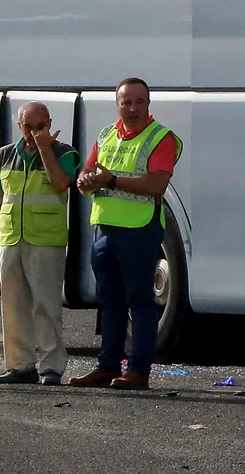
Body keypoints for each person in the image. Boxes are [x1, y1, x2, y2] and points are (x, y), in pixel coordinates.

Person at [69, 77, 181, 390]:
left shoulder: (161, 138)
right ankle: (107, 367)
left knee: (140, 301)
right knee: (109, 302)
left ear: (148, 104)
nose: (132, 108)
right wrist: (85, 181)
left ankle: (138, 370)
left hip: (140, 230)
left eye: (139, 102)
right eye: (126, 102)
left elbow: (157, 184)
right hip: (105, 230)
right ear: (118, 104)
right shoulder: (107, 134)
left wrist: (110, 181)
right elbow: (88, 171)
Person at [0, 102, 79, 385]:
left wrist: (44, 149)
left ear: (50, 124)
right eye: (29, 127)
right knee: (13, 305)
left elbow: (60, 183)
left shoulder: (64, 153)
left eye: (40, 127)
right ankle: (20, 365)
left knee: (46, 306)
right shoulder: (6, 154)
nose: (34, 133)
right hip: (11, 238)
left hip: (46, 240)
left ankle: (51, 366)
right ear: (19, 126)